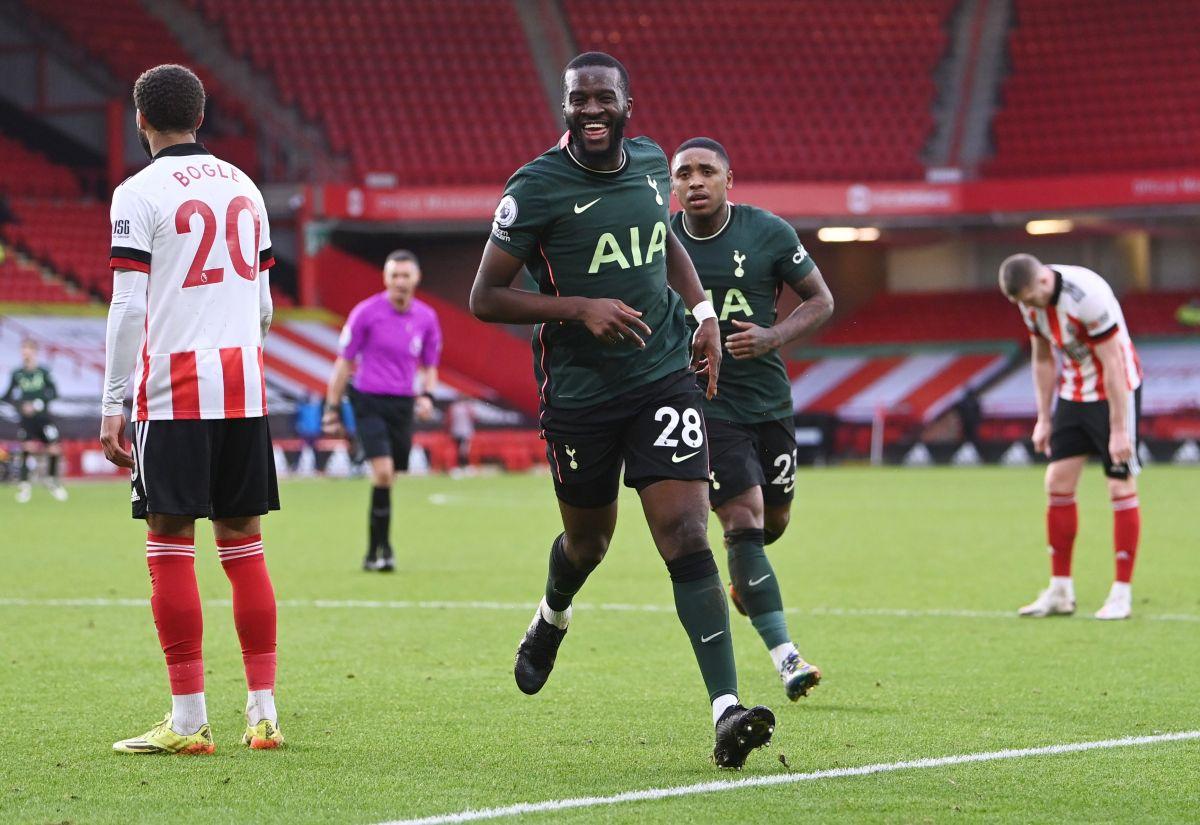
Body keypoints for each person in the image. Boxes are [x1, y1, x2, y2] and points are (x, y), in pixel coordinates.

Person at [470, 52, 774, 769]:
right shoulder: (535, 187)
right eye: (580, 100)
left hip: (662, 372)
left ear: (627, 103)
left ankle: (726, 708)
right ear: (565, 107)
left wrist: (700, 310)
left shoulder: (649, 163)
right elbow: (486, 296)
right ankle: (551, 615)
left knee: (685, 530)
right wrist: (579, 307)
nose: (593, 109)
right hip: (579, 393)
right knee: (589, 543)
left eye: (605, 98)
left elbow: (662, 240)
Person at [100, 64, 283, 754]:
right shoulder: (246, 187)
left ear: (141, 120)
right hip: (244, 387)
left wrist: (114, 399)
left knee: (169, 544)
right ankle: (263, 713)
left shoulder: (137, 192)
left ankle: (187, 720)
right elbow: (263, 305)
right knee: (244, 545)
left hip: (174, 390)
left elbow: (128, 303)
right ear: (201, 117)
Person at [669, 137, 834, 701]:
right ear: (672, 185)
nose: (695, 181)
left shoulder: (768, 232)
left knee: (773, 522)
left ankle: (747, 585)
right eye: (683, 173)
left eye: (706, 171)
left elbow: (821, 299)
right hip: (703, 404)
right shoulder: (658, 244)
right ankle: (787, 657)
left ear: (728, 179)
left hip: (768, 400)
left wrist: (775, 335)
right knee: (743, 518)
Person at [999, 253, 1143, 620]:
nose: (1027, 307)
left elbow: (1113, 362)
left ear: (1043, 282)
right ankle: (1060, 591)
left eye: (1029, 299)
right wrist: (1044, 418)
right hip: (1073, 392)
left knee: (1120, 486)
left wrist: (1119, 430)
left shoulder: (1087, 297)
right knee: (1057, 481)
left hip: (1115, 392)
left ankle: (1121, 593)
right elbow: (1043, 358)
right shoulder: (1029, 303)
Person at [323, 250, 441, 572]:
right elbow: (344, 363)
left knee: (390, 477)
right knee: (384, 473)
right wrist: (331, 407)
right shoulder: (365, 313)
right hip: (368, 400)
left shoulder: (426, 318)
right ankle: (383, 550)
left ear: (416, 278)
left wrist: (427, 395)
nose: (400, 282)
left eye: (406, 275)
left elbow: (430, 365)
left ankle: (373, 552)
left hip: (402, 404)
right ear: (385, 279)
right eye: (394, 276)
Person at [4, 339, 67, 502]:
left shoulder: (43, 372)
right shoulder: (17, 374)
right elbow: (8, 396)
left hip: (43, 418)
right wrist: (20, 406)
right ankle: (24, 486)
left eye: (28, 349)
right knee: (27, 448)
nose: (25, 352)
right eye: (23, 349)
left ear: (34, 352)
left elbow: (54, 392)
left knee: (54, 448)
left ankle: (52, 481)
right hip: (26, 420)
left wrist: (40, 404)